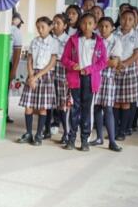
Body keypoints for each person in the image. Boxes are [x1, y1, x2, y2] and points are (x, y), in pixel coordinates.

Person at [60, 13, 108, 151]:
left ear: (95, 25)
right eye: (84, 23)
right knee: (74, 108)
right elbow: (64, 59)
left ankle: (85, 140)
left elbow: (103, 62)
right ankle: (71, 139)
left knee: (87, 110)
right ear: (80, 24)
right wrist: (72, 65)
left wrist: (89, 69)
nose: (86, 26)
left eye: (90, 23)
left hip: (90, 79)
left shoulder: (99, 42)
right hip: (75, 79)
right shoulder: (73, 40)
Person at [16, 17, 57, 145]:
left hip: (45, 75)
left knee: (42, 108)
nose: (40, 30)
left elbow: (52, 63)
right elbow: (29, 60)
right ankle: (28, 133)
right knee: (28, 106)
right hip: (32, 75)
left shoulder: (53, 42)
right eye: (38, 27)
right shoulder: (34, 41)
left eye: (43, 27)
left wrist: (36, 76)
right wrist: (31, 76)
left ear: (50, 27)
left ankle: (39, 135)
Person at [89, 17, 121, 151]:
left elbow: (114, 63)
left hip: (108, 78)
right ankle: (99, 137)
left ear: (112, 28)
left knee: (108, 109)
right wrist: (104, 60)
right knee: (96, 107)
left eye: (107, 26)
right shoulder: (95, 40)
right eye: (101, 26)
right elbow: (90, 58)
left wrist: (99, 61)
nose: (103, 29)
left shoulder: (115, 41)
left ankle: (112, 141)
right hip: (95, 77)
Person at [112, 9, 138, 140]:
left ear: (134, 21)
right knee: (115, 101)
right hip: (114, 68)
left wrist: (125, 64)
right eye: (124, 18)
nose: (126, 22)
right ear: (120, 19)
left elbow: (137, 53)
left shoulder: (137, 35)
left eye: (130, 19)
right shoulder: (114, 33)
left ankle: (122, 131)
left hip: (129, 70)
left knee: (125, 103)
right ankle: (114, 130)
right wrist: (116, 63)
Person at [47, 14, 72, 143]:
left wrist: (69, 77)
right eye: (53, 23)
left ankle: (66, 133)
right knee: (48, 101)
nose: (55, 25)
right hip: (49, 69)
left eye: (58, 23)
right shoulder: (49, 38)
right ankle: (46, 129)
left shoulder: (69, 40)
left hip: (63, 71)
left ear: (65, 26)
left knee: (63, 104)